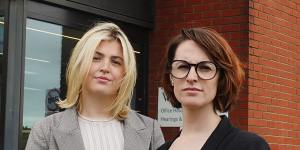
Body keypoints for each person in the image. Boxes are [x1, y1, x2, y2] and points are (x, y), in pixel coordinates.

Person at [26, 22, 164, 150]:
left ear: (125, 73)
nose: (105, 67)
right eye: (96, 58)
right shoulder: (45, 130)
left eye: (115, 62)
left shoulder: (150, 130)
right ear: (79, 64)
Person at [158, 28, 270, 150]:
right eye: (183, 66)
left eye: (205, 68)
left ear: (221, 78)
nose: (191, 77)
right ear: (171, 77)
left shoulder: (250, 146)